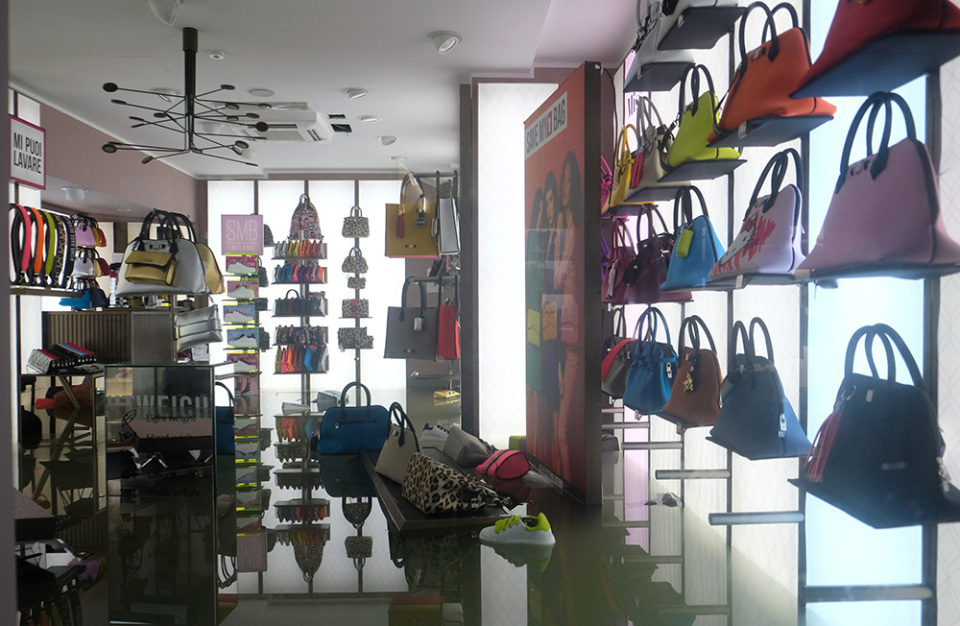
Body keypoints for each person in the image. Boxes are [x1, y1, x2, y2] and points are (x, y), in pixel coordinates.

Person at [554, 151, 584, 486]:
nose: (564, 186)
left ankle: (566, 484)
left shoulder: (571, 225)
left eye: (568, 180)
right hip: (566, 332)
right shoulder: (568, 224)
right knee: (561, 426)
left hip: (571, 333)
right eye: (563, 180)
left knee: (563, 427)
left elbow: (557, 276)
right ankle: (565, 482)